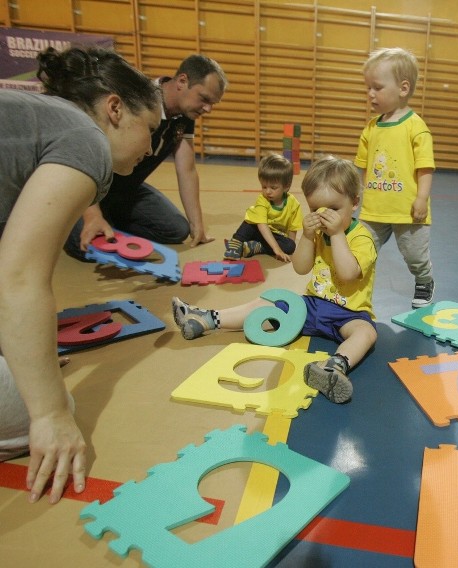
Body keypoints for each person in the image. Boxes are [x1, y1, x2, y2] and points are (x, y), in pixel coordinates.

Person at [0, 46, 161, 503]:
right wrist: (48, 412)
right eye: (149, 129)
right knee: (41, 408)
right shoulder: (86, 138)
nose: (152, 147)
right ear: (114, 108)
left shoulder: (38, 122)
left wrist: (26, 350)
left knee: (28, 365)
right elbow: (19, 277)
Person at [172, 156, 378, 404]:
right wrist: (307, 236)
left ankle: (333, 367)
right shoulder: (317, 234)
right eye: (315, 210)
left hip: (349, 313)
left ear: (354, 203)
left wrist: (336, 235)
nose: (324, 217)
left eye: (333, 209)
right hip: (312, 305)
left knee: (366, 333)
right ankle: (206, 319)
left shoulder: (362, 238)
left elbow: (347, 273)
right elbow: (301, 268)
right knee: (266, 304)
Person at [64, 54, 227, 259]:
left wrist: (198, 226)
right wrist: (92, 215)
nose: (208, 109)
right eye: (204, 98)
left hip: (127, 188)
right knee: (85, 246)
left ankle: (111, 220)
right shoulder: (137, 99)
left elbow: (187, 169)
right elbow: (85, 155)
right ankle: (87, 218)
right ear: (182, 81)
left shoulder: (186, 115)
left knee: (176, 230)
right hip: (90, 189)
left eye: (213, 103)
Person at [355, 47, 437, 308]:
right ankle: (357, 286)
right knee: (362, 249)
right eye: (368, 87)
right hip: (374, 209)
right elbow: (363, 168)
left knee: (414, 255)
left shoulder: (416, 127)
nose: (370, 93)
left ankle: (424, 280)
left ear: (403, 88)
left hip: (408, 211)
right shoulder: (371, 127)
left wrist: (421, 198)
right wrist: (359, 194)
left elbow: (425, 167)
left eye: (377, 87)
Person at [223, 153, 303, 262]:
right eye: (264, 187)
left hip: (275, 236)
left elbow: (293, 230)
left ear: (286, 187)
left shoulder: (294, 204)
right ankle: (236, 243)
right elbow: (262, 225)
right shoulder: (262, 200)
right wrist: (277, 250)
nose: (267, 191)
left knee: (290, 246)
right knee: (250, 222)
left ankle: (256, 247)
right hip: (258, 230)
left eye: (273, 187)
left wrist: (288, 247)